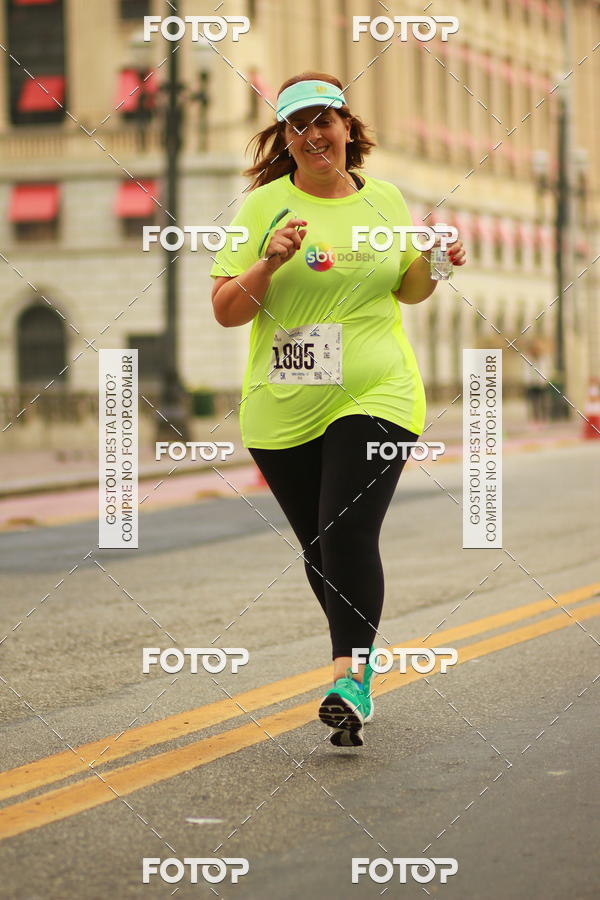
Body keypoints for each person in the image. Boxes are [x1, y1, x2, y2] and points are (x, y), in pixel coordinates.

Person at [210, 72, 466, 747]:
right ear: (286, 139)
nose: (314, 134)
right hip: (283, 405)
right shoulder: (261, 206)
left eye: (326, 120)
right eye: (299, 125)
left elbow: (409, 291)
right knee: (320, 546)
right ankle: (359, 657)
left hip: (376, 392)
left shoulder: (385, 201)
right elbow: (225, 311)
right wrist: (266, 263)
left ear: (348, 128)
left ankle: (349, 680)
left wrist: (437, 263)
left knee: (345, 530)